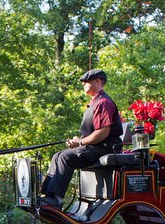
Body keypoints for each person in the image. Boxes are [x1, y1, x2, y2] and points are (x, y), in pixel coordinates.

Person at [40, 69, 123, 208]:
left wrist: (80, 142)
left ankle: (55, 199)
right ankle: (46, 196)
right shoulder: (95, 103)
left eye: (87, 81)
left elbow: (103, 132)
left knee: (65, 158)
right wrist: (77, 142)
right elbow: (92, 132)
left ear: (98, 82)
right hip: (95, 147)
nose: (83, 84)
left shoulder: (103, 103)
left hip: (103, 149)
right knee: (57, 155)